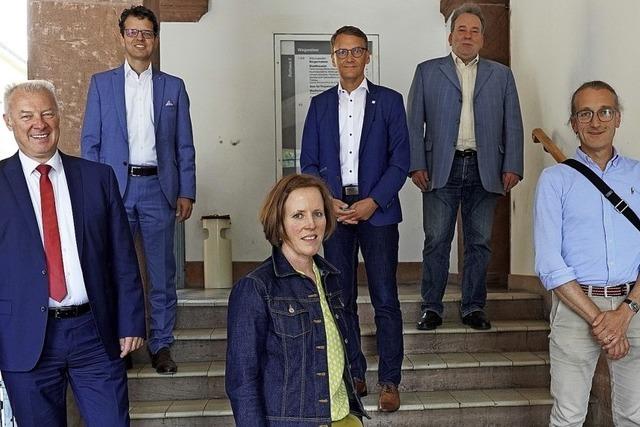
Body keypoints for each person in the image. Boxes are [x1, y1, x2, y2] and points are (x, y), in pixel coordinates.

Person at [0, 80, 145, 426]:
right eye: (27, 116)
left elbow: (122, 257)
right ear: (9, 121)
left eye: (47, 113)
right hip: (23, 338)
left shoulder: (97, 178)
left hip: (94, 333)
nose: (39, 124)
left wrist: (130, 321)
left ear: (59, 116)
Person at [81, 5, 196, 374]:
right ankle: (122, 342)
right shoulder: (102, 84)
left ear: (155, 39)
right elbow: (91, 143)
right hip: (115, 189)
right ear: (122, 37)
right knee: (115, 268)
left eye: (146, 32)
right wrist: (94, 192)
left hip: (159, 190)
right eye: (133, 32)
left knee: (162, 274)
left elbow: (184, 145)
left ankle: (161, 344)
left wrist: (186, 191)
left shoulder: (173, 87)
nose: (140, 39)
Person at [300, 25, 409, 412]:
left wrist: (373, 201)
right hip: (334, 213)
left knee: (385, 298)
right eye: (342, 52)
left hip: (377, 213)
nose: (349, 58)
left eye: (356, 50)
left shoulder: (390, 101)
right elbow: (308, 163)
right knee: (341, 298)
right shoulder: (319, 105)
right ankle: (354, 374)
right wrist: (327, 202)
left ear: (368, 55)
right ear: (333, 58)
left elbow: (401, 162)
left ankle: (390, 380)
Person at [407, 3, 523, 331]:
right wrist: (416, 164)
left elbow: (513, 123)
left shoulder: (501, 75)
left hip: (485, 168)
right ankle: (432, 307)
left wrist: (513, 165)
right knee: (436, 240)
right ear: (450, 37)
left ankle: (473, 306)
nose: (468, 36)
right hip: (439, 168)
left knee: (479, 242)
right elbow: (413, 123)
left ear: (483, 39)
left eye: (474, 31)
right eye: (462, 30)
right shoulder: (427, 72)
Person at [534, 81, 640, 426]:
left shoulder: (638, 175)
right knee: (568, 416)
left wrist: (625, 312)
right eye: (585, 114)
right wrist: (601, 321)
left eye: (605, 112)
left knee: (634, 415)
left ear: (618, 118)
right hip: (576, 307)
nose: (596, 121)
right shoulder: (555, 179)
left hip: (634, 307)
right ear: (574, 123)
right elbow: (550, 263)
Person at [225, 174, 367, 426]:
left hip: (344, 419)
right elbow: (242, 381)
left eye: (318, 213)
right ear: (279, 223)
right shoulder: (256, 288)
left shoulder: (331, 278)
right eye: (298, 215)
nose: (311, 224)